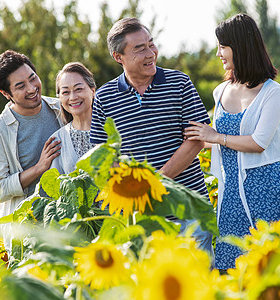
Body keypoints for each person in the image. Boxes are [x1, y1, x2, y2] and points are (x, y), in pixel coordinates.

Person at [90, 17, 212, 251]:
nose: (150, 53)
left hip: (190, 211)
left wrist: (155, 182)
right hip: (143, 221)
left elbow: (197, 139)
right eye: (139, 48)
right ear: (118, 57)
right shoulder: (104, 98)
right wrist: (137, 192)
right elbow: (102, 156)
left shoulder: (179, 83)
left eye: (151, 44)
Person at [185, 14, 280, 270]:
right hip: (230, 193)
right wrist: (198, 136)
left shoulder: (272, 92)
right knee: (231, 267)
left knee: (273, 269)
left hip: (266, 190)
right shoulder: (220, 91)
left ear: (241, 46)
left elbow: (259, 142)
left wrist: (216, 136)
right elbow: (219, 143)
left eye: (223, 46)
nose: (218, 53)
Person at [0, 50, 62, 250]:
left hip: (66, 221)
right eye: (20, 86)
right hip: (27, 232)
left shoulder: (61, 108)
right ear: (6, 94)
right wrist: (39, 168)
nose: (31, 88)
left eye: (32, 78)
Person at [49, 62, 96, 174]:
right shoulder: (57, 141)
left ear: (93, 91)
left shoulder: (113, 130)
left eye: (78, 89)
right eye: (65, 92)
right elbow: (57, 187)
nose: (73, 97)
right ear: (59, 97)